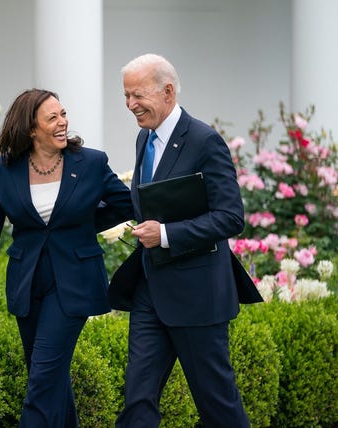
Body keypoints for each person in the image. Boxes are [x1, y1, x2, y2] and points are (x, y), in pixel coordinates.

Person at [0, 88, 133, 427]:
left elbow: (125, 204)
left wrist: (81, 226)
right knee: (48, 376)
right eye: (52, 118)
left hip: (74, 284)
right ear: (30, 129)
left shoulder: (91, 162)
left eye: (63, 114)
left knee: (41, 379)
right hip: (28, 283)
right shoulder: (3, 170)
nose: (63, 122)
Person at [109, 54, 262, 427]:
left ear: (168, 91)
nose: (130, 105)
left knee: (218, 406)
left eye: (137, 95)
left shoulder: (205, 141)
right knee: (137, 400)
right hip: (150, 291)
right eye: (126, 96)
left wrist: (165, 234)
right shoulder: (143, 138)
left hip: (198, 295)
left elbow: (230, 217)